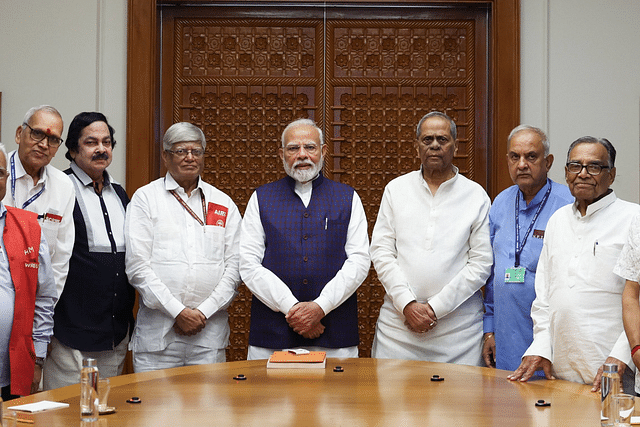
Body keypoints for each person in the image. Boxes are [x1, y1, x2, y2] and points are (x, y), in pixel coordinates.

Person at [509, 136, 640, 393]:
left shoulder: (633, 218)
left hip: (614, 368)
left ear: (611, 175)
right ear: (566, 173)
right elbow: (544, 295)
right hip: (561, 367)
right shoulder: (557, 220)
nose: (583, 174)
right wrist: (541, 347)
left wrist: (622, 356)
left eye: (594, 167)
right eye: (575, 166)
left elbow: (637, 300)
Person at [240, 118, 370, 360]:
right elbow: (248, 264)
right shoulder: (261, 197)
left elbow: (360, 261)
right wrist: (293, 309)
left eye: (310, 147)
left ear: (323, 151)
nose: (302, 155)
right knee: (268, 398)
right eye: (293, 148)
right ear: (281, 154)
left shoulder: (348, 197)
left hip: (335, 332)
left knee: (338, 397)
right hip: (272, 334)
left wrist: (320, 307)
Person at [370, 111, 492, 365]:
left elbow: (481, 264)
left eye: (442, 139)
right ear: (417, 147)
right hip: (399, 330)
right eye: (427, 140)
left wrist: (435, 308)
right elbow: (381, 252)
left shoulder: (475, 195)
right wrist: (407, 304)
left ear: (456, 146)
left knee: (457, 405)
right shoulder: (396, 190)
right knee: (392, 405)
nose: (434, 145)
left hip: (458, 334)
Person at [125, 122, 241, 372]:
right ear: (165, 156)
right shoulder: (145, 199)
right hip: (158, 340)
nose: (190, 157)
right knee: (153, 411)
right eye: (180, 151)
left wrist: (202, 312)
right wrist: (178, 312)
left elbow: (235, 268)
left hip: (208, 337)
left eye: (196, 151)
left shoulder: (223, 202)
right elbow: (137, 267)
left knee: (207, 412)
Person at [43, 112, 135, 389]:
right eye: (91, 142)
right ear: (72, 149)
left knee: (105, 410)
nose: (101, 149)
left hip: (113, 332)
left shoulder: (120, 193)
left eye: (107, 142)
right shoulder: (58, 188)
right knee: (66, 413)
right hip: (68, 332)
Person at [482, 125, 573, 370]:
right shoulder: (500, 202)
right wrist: (489, 330)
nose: (522, 164)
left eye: (531, 156)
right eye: (515, 157)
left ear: (548, 161)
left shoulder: (569, 205)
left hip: (552, 341)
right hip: (505, 334)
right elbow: (491, 275)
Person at [0, 143, 57, 400]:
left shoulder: (29, 227)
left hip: (14, 374)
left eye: (0, 172)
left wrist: (38, 360)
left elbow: (44, 297)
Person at [3, 105, 75, 300]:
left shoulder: (64, 186)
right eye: (37, 134)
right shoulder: (1, 175)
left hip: (34, 301)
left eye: (53, 140)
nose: (44, 144)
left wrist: (44, 311)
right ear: (19, 134)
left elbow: (60, 259)